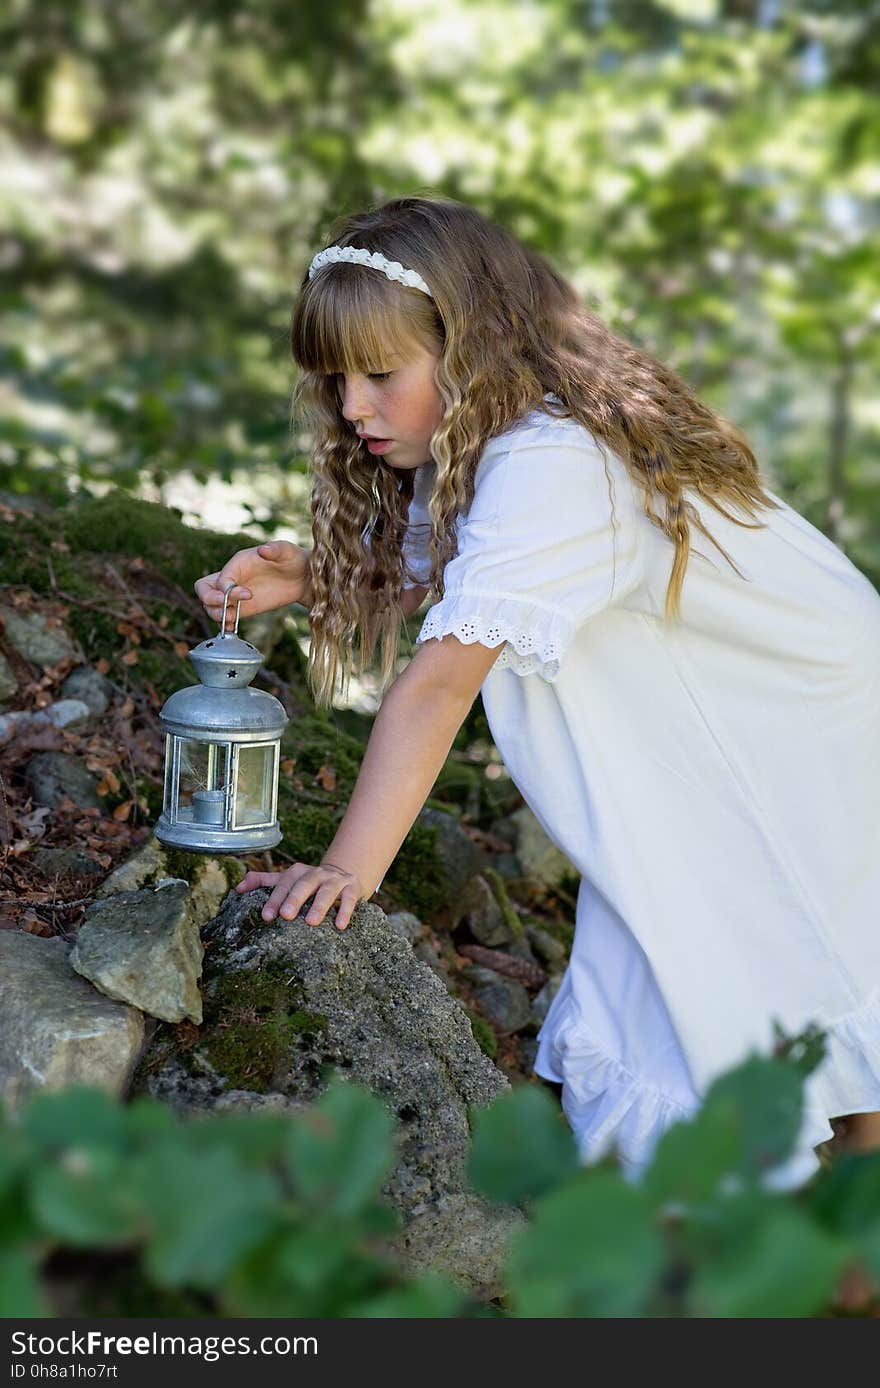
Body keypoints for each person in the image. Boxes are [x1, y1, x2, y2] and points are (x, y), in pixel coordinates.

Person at [195, 194, 880, 1191]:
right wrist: (311, 571)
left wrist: (347, 868)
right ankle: (832, 1219)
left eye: (380, 375)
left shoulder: (552, 458)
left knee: (785, 938)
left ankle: (827, 1221)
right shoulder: (494, 451)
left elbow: (436, 684)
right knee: (754, 946)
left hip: (792, 710)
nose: (351, 406)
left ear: (469, 350)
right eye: (335, 380)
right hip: (737, 711)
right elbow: (473, 578)